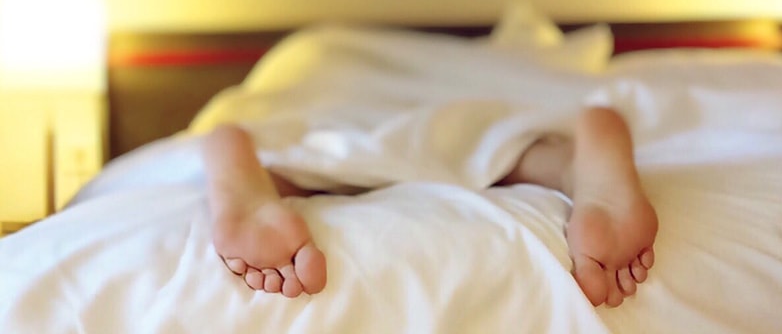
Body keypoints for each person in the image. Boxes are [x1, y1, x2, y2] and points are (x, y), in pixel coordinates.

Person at [203, 106, 658, 307]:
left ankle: (247, 172)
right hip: (480, 118)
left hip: (331, 127)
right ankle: (575, 163)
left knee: (310, 160)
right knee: (514, 152)